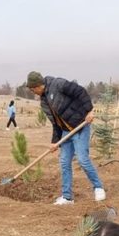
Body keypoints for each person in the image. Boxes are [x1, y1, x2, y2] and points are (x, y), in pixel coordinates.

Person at [26, 71, 106, 204]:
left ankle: (98, 188)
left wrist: (89, 110)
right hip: (65, 132)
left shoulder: (58, 84)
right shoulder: (44, 102)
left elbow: (80, 92)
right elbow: (55, 123)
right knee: (64, 162)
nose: (32, 91)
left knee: (82, 159)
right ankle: (67, 197)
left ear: (38, 85)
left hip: (80, 126)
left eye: (33, 89)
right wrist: (54, 142)